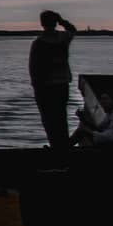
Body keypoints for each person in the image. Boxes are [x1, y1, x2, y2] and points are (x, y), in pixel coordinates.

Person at [28, 9, 76, 149]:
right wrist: (62, 21)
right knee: (61, 116)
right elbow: (72, 29)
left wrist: (36, 86)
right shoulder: (63, 38)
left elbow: (33, 67)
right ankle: (63, 145)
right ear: (55, 23)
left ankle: (56, 146)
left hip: (45, 86)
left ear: (42, 23)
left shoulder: (38, 43)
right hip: (62, 83)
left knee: (48, 118)